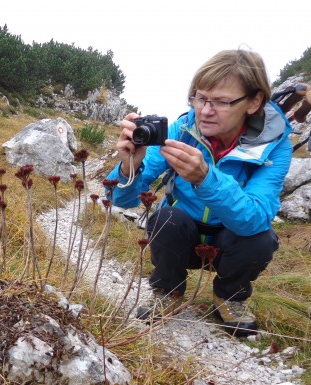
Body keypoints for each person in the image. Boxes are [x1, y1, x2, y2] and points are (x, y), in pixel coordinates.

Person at [106, 49, 293, 337]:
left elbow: (256, 217)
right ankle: (168, 291)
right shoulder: (182, 129)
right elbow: (121, 200)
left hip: (231, 243)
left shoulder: (274, 145)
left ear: (254, 102)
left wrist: (206, 179)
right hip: (183, 238)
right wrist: (130, 165)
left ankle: (230, 297)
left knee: (261, 236)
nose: (204, 110)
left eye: (220, 101)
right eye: (200, 97)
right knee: (166, 216)